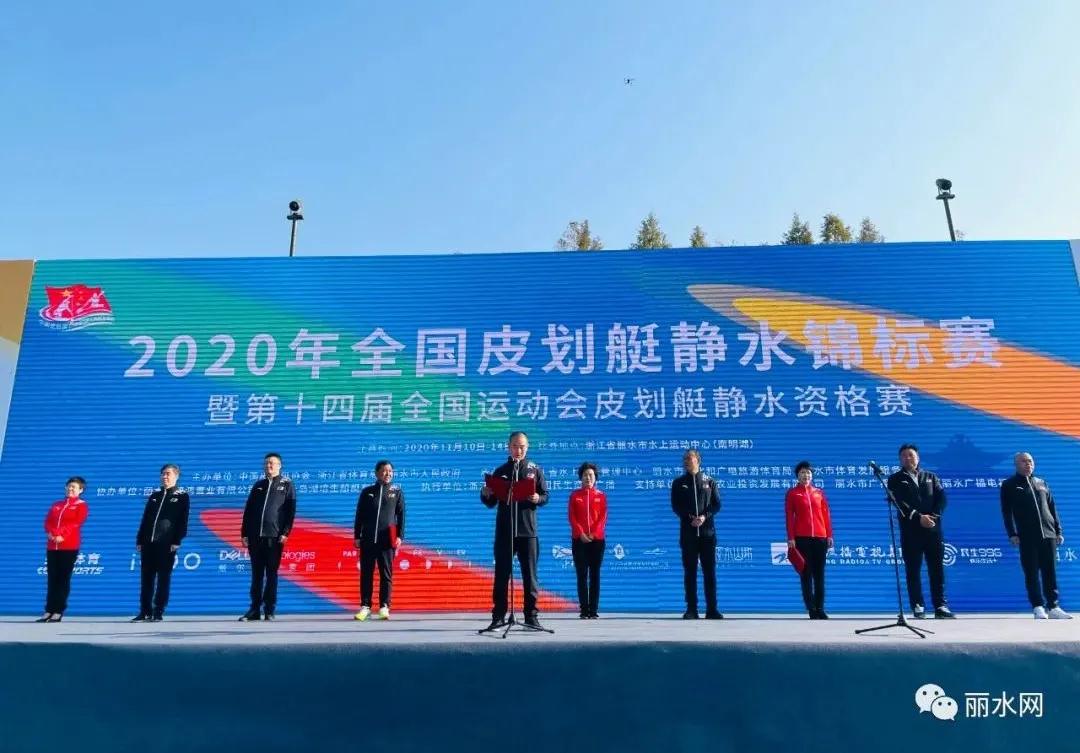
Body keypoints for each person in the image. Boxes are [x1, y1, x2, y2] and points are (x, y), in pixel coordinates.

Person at [480, 431, 549, 630]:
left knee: (530, 576)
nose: (519, 450)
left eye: (522, 446)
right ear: (509, 447)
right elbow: (491, 502)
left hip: (528, 531)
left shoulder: (535, 470)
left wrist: (538, 498)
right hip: (505, 532)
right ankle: (498, 616)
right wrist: (485, 494)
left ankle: (531, 616)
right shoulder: (501, 471)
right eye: (515, 446)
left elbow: (545, 495)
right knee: (502, 575)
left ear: (527, 447)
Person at [887, 443, 955, 619]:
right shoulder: (895, 479)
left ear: (918, 457)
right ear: (900, 459)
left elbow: (942, 499)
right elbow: (899, 502)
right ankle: (918, 605)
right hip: (911, 532)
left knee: (936, 569)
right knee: (913, 570)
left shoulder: (931, 476)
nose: (907, 458)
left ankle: (940, 606)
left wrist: (933, 517)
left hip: (933, 530)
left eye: (910, 455)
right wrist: (918, 517)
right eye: (903, 456)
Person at [1001, 452, 1071, 619]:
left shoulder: (1041, 483)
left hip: (1049, 535)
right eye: (1024, 461)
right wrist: (1012, 533)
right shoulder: (1009, 485)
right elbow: (1006, 512)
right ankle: (1038, 606)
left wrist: (1058, 531)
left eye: (1030, 461)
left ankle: (1053, 607)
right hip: (1027, 536)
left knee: (1050, 572)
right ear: (1016, 464)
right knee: (1031, 572)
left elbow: (1052, 508)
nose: (1028, 464)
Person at [239, 452, 296, 621]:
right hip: (255, 536)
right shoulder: (258, 485)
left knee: (271, 573)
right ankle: (254, 609)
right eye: (266, 463)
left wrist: (285, 532)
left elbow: (290, 511)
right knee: (256, 574)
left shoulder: (287, 484)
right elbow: (248, 510)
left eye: (272, 463)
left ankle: (269, 610)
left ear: (279, 465)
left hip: (274, 536)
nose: (268, 466)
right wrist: (244, 533)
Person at [132, 464, 190, 622]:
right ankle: (145, 611)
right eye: (163, 474)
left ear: (176, 476)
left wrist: (177, 540)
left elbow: (183, 521)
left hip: (167, 544)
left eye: (168, 474)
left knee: (163, 578)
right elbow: (145, 519)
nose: (164, 477)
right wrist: (140, 539)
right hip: (148, 543)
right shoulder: (154, 495)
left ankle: (158, 611)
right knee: (146, 579)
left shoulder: (182, 496)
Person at [671, 449, 722, 619]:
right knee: (690, 572)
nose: (687, 461)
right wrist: (689, 517)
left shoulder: (710, 481)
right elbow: (676, 506)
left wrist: (704, 516)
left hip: (707, 534)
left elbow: (716, 504)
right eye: (685, 459)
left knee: (709, 572)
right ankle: (691, 609)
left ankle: (712, 609)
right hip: (688, 534)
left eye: (690, 459)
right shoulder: (678, 483)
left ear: (698, 461)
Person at [353, 459, 405, 621]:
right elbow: (359, 515)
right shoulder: (367, 492)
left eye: (390, 471)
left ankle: (384, 606)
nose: (387, 473)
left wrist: (399, 536)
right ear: (376, 473)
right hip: (368, 539)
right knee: (366, 574)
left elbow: (401, 515)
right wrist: (357, 536)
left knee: (386, 574)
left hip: (387, 540)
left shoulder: (396, 492)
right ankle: (365, 607)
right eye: (384, 470)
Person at [784, 461, 834, 619]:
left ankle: (820, 608)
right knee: (806, 574)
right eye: (802, 473)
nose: (805, 475)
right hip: (802, 538)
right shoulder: (792, 493)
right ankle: (811, 608)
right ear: (797, 476)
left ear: (812, 476)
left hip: (820, 538)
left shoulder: (819, 493)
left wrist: (829, 535)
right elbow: (789, 517)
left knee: (820, 574)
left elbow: (826, 515)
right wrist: (791, 537)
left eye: (808, 473)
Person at [39, 477, 89, 623]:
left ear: (81, 490)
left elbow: (76, 523)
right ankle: (49, 610)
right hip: (52, 546)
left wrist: (62, 535)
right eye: (69, 486)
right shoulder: (57, 505)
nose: (70, 489)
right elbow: (48, 521)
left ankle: (58, 611)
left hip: (68, 546)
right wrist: (50, 534)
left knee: (63, 579)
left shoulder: (81, 505)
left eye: (74, 487)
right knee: (52, 579)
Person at [568, 462, 607, 619]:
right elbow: (572, 517)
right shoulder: (575, 496)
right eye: (585, 475)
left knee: (595, 575)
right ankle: (584, 610)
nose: (588, 478)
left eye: (591, 475)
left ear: (595, 478)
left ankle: (593, 610)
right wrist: (581, 533)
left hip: (597, 541)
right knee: (582, 575)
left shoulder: (601, 496)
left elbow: (603, 518)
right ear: (581, 478)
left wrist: (594, 534)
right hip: (579, 541)